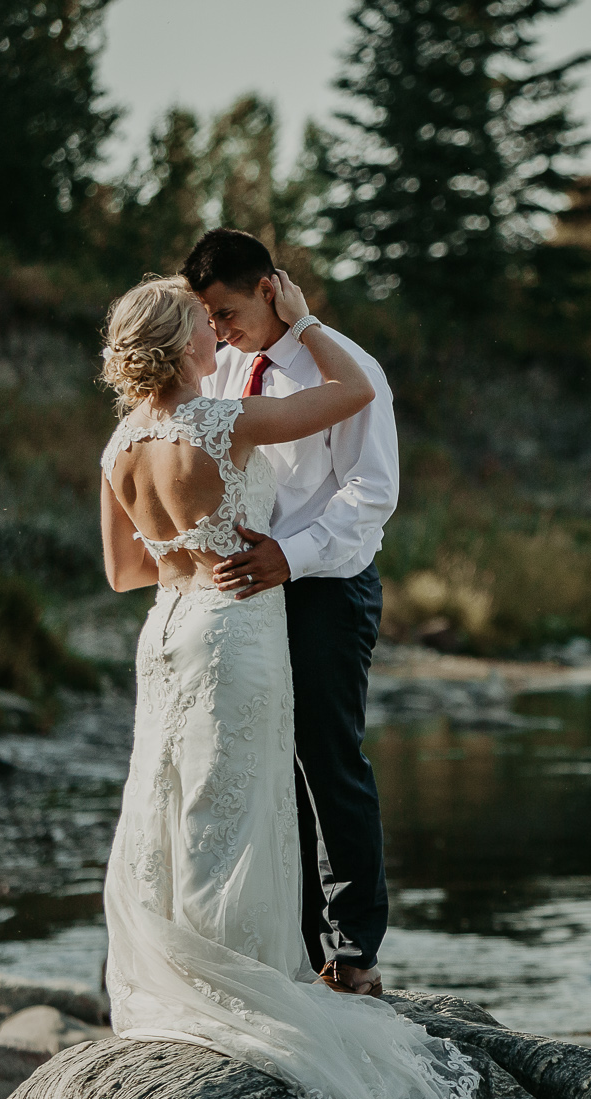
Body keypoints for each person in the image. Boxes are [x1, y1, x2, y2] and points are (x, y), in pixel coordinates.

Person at [96, 273, 476, 1099]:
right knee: (243, 800)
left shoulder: (120, 442)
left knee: (171, 801)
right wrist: (305, 322)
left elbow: (119, 570)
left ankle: (178, 974)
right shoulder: (217, 421)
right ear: (184, 344)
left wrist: (184, 549)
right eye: (204, 325)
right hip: (233, 626)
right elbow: (352, 394)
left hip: (166, 624)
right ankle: (244, 986)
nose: (215, 334)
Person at [177, 229, 399, 999]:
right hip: (249, 589)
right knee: (269, 756)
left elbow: (370, 498)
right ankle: (296, 946)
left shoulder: (349, 368)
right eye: (206, 315)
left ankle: (354, 948)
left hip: (328, 582)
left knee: (327, 758)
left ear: (270, 287)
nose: (217, 329)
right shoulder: (223, 367)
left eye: (227, 310)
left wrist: (290, 556)